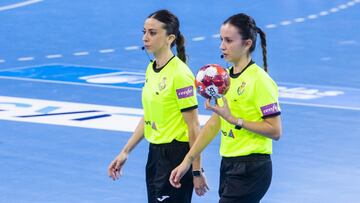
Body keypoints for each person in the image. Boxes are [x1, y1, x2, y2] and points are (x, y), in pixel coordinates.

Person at [169, 13, 282, 203]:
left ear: (247, 44)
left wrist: (235, 120)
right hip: (228, 164)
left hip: (252, 167)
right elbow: (213, 125)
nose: (222, 46)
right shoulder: (224, 79)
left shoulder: (260, 81)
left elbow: (275, 131)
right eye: (221, 39)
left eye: (229, 40)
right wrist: (188, 162)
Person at [108, 9, 209, 203]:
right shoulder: (151, 69)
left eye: (152, 33)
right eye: (144, 32)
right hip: (155, 155)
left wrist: (196, 170)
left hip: (176, 157)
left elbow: (194, 127)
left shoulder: (180, 74)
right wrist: (125, 151)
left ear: (170, 38)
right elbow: (149, 115)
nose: (145, 37)